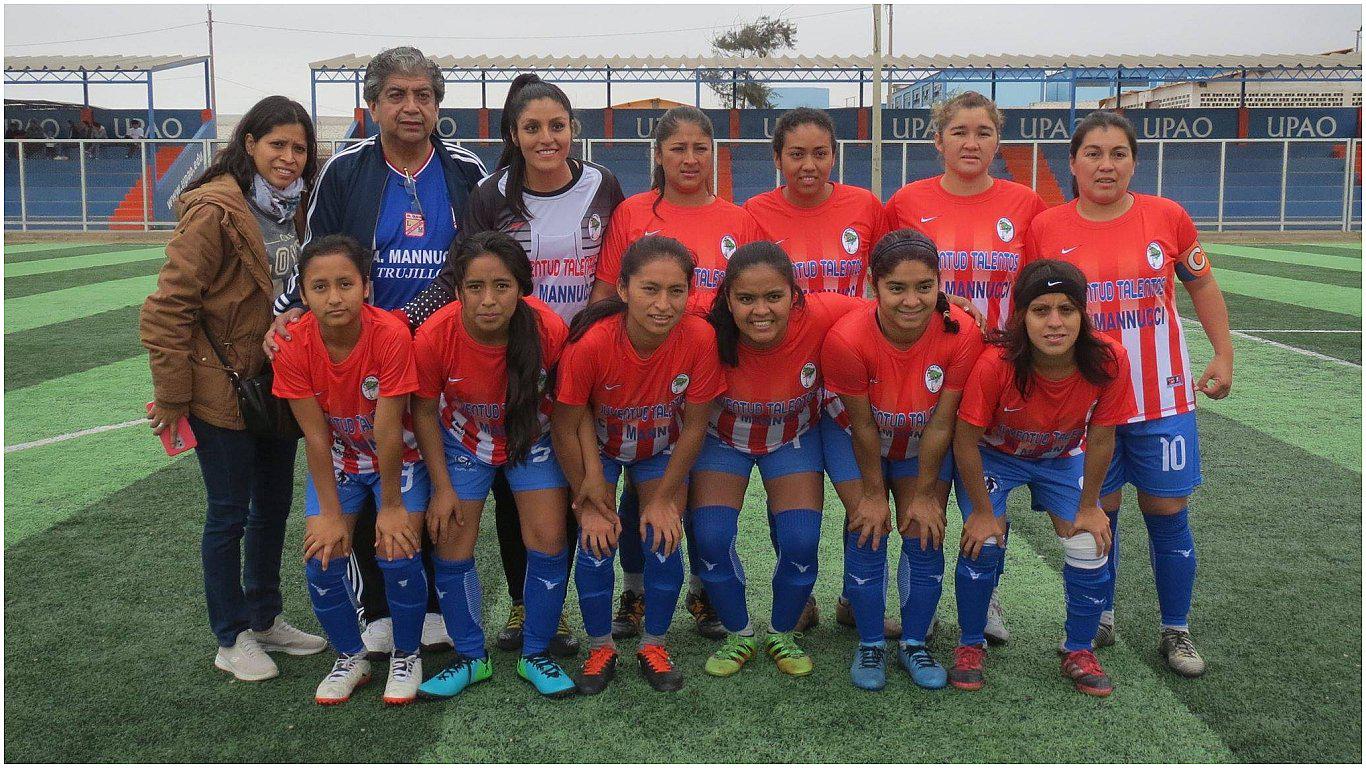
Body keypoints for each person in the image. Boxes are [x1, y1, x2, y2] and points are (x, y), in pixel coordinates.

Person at [267, 46, 487, 655]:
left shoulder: (467, 171)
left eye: (423, 95)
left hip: (447, 354)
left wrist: (420, 324)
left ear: (439, 105)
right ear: (373, 105)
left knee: (438, 474)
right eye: (397, 94)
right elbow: (318, 254)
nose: (411, 107)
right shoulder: (346, 171)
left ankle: (440, 601)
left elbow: (480, 259)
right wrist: (284, 315)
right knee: (368, 463)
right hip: (365, 355)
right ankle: (381, 611)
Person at [403, 73, 625, 658]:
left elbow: (615, 266)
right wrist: (408, 324)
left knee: (568, 470)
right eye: (533, 128)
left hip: (577, 351)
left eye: (557, 126)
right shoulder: (492, 195)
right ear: (514, 134)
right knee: (510, 487)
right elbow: (470, 270)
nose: (546, 137)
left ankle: (560, 607)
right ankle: (528, 605)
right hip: (502, 355)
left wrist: (589, 338)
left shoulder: (605, 185)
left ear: (573, 130)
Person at [1024, 110, 1233, 678]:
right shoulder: (1046, 228)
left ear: (1133, 161)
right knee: (1099, 515)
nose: (1106, 164)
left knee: (1167, 512)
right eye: (1094, 153)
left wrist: (1223, 352)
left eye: (1118, 153)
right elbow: (1035, 312)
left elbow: (1202, 283)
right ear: (1073, 163)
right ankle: (1101, 615)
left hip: (1162, 399)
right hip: (1087, 407)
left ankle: (1177, 630)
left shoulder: (1167, 217)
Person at [140, 95, 324, 683]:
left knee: (271, 508)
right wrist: (172, 395)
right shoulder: (216, 210)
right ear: (249, 144)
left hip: (277, 386)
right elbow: (167, 307)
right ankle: (230, 634)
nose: (289, 158)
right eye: (278, 145)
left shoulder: (297, 209)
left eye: (299, 148)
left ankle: (265, 615)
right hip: (222, 388)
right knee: (228, 514)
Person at [589, 105, 761, 642]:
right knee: (644, 492)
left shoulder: (740, 220)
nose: (690, 159)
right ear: (658, 156)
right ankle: (637, 590)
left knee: (699, 498)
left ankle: (704, 589)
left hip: (713, 383)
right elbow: (604, 297)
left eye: (700, 148)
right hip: (643, 385)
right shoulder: (633, 213)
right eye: (678, 148)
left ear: (714, 153)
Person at [884, 91, 1047, 645]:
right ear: (938, 140)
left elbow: (1036, 287)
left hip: (1000, 368)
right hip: (930, 366)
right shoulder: (907, 201)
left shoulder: (1025, 203)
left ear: (998, 141)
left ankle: (986, 594)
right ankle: (917, 607)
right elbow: (890, 281)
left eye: (982, 132)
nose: (971, 142)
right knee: (925, 485)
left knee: (984, 493)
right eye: (959, 132)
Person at [951, 259, 1134, 696]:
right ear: (1021, 316)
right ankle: (970, 643)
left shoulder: (1109, 359)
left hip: (1059, 457)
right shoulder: (996, 363)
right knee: (984, 541)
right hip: (995, 457)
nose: (1055, 322)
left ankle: (1078, 647)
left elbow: (1103, 436)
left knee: (1089, 540)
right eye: (1040, 310)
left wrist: (1090, 507)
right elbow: (964, 440)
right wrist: (980, 511)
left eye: (1066, 309)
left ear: (1083, 314)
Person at [552, 235, 725, 694]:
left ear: (691, 293)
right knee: (595, 538)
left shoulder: (700, 337)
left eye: (676, 291)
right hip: (600, 449)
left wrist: (667, 497)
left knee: (663, 537)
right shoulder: (590, 345)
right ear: (624, 290)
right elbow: (566, 426)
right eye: (650, 289)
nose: (663, 304)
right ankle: (600, 647)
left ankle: (655, 643)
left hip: (662, 449)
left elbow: (693, 428)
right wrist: (585, 494)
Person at [409, 231, 578, 700]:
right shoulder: (435, 334)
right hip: (464, 440)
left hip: (532, 438)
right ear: (458, 289)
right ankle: (470, 657)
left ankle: (536, 652)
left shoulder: (547, 329)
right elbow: (422, 411)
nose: (488, 300)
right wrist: (441, 488)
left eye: (501, 286)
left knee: (549, 538)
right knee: (450, 543)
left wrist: (583, 480)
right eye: (475, 287)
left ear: (521, 287)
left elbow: (567, 409)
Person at [691, 241, 865, 678]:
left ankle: (783, 631)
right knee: (710, 537)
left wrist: (948, 307)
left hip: (794, 438)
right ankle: (738, 633)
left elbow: (891, 308)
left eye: (774, 297)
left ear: (796, 294)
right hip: (721, 439)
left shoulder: (824, 314)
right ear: (726, 298)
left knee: (801, 540)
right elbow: (641, 304)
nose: (760, 311)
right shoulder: (700, 321)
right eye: (746, 299)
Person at [820, 228, 984, 692]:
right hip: (855, 437)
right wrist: (873, 494)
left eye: (923, 288)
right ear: (873, 285)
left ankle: (914, 641)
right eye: (896, 288)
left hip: (922, 441)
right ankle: (869, 641)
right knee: (868, 527)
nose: (911, 301)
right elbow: (863, 426)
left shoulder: (962, 333)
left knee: (924, 532)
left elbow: (941, 424)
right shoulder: (846, 339)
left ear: (940, 284)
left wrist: (930, 494)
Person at [271, 235, 431, 706]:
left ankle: (407, 653)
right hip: (339, 461)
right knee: (322, 556)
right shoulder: (294, 345)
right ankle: (350, 656)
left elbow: (387, 430)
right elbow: (316, 437)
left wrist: (392, 506)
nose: (334, 296)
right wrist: (330, 515)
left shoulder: (390, 334)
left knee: (397, 551)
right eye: (319, 287)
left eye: (345, 283)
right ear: (303, 294)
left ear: (366, 287)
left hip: (398, 459)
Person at [743, 107, 888, 298]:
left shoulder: (865, 204)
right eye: (797, 154)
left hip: (851, 327)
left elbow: (890, 276)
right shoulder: (754, 212)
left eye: (820, 154)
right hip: (787, 329)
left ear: (834, 157)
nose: (809, 166)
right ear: (777, 158)